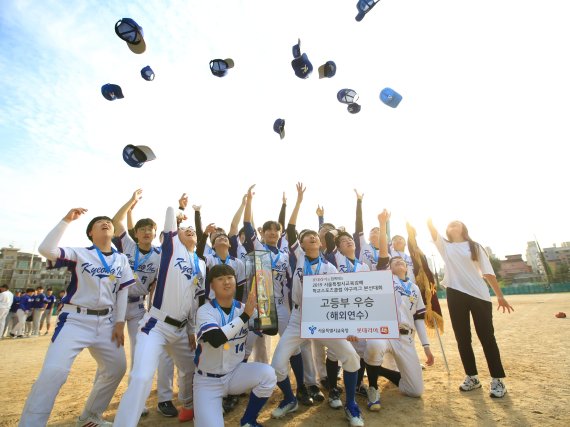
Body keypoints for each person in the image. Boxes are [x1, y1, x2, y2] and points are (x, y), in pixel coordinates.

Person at [19, 208, 135, 427]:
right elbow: (46, 249)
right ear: (90, 233)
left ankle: (90, 416)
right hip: (75, 320)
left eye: (108, 221)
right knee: (54, 372)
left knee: (116, 369)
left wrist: (120, 322)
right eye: (99, 222)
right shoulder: (80, 253)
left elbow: (122, 292)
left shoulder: (121, 259)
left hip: (108, 323)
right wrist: (66, 220)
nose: (105, 223)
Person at [270, 183, 364, 427]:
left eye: (314, 236)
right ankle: (290, 399)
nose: (311, 237)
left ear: (321, 243)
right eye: (306, 237)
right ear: (300, 245)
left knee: (352, 358)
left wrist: (348, 327)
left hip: (325, 320)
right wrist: (299, 201)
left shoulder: (330, 267)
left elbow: (340, 300)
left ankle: (351, 405)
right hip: (299, 319)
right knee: (277, 365)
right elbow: (290, 229)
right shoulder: (296, 258)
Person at [113, 206, 206, 426]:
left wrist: (192, 329)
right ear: (175, 234)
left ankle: (188, 405)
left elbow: (194, 300)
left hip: (182, 329)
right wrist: (179, 211)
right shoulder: (171, 248)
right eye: (185, 229)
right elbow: (170, 213)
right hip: (157, 325)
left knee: (192, 370)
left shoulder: (201, 263)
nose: (190, 230)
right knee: (142, 376)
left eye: (193, 229)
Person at [427, 218, 513, 398]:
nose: (452, 225)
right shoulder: (445, 246)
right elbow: (432, 229)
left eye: (456, 223)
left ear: (463, 228)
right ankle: (472, 377)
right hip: (455, 294)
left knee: (487, 337)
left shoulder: (475, 246)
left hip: (479, 295)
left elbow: (488, 272)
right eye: (449, 224)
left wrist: (500, 295)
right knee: (462, 338)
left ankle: (497, 379)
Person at [362, 209, 434, 411]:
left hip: (405, 337)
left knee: (415, 390)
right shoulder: (387, 278)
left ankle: (379, 371)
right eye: (394, 261)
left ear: (406, 267)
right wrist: (383, 225)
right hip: (385, 331)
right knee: (374, 346)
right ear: (389, 267)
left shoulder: (414, 288)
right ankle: (373, 388)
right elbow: (384, 252)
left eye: (401, 261)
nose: (398, 262)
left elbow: (419, 319)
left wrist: (426, 347)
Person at [193, 264, 277, 427]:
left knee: (268, 374)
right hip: (207, 381)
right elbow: (216, 339)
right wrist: (246, 316)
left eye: (230, 278)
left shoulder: (245, 308)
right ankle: (202, 414)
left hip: (234, 374)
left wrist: (266, 304)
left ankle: (248, 421)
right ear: (212, 286)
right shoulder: (205, 311)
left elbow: (272, 330)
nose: (226, 282)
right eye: (220, 279)